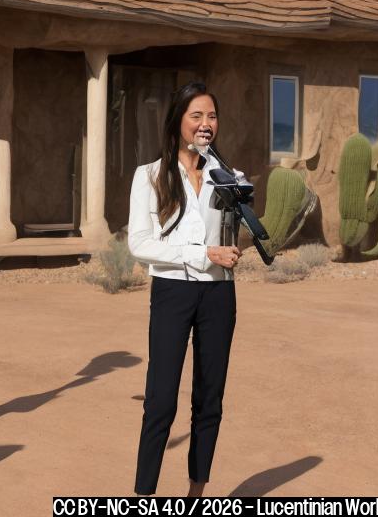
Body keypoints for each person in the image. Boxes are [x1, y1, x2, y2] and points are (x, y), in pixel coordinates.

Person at [127, 82, 242, 497]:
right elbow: (139, 243)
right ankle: (144, 496)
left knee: (209, 398)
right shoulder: (150, 176)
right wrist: (203, 253)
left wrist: (230, 250)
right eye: (197, 115)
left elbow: (232, 238)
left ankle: (197, 493)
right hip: (172, 292)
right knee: (160, 401)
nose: (206, 123)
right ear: (178, 122)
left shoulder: (230, 179)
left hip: (219, 295)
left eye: (211, 116)